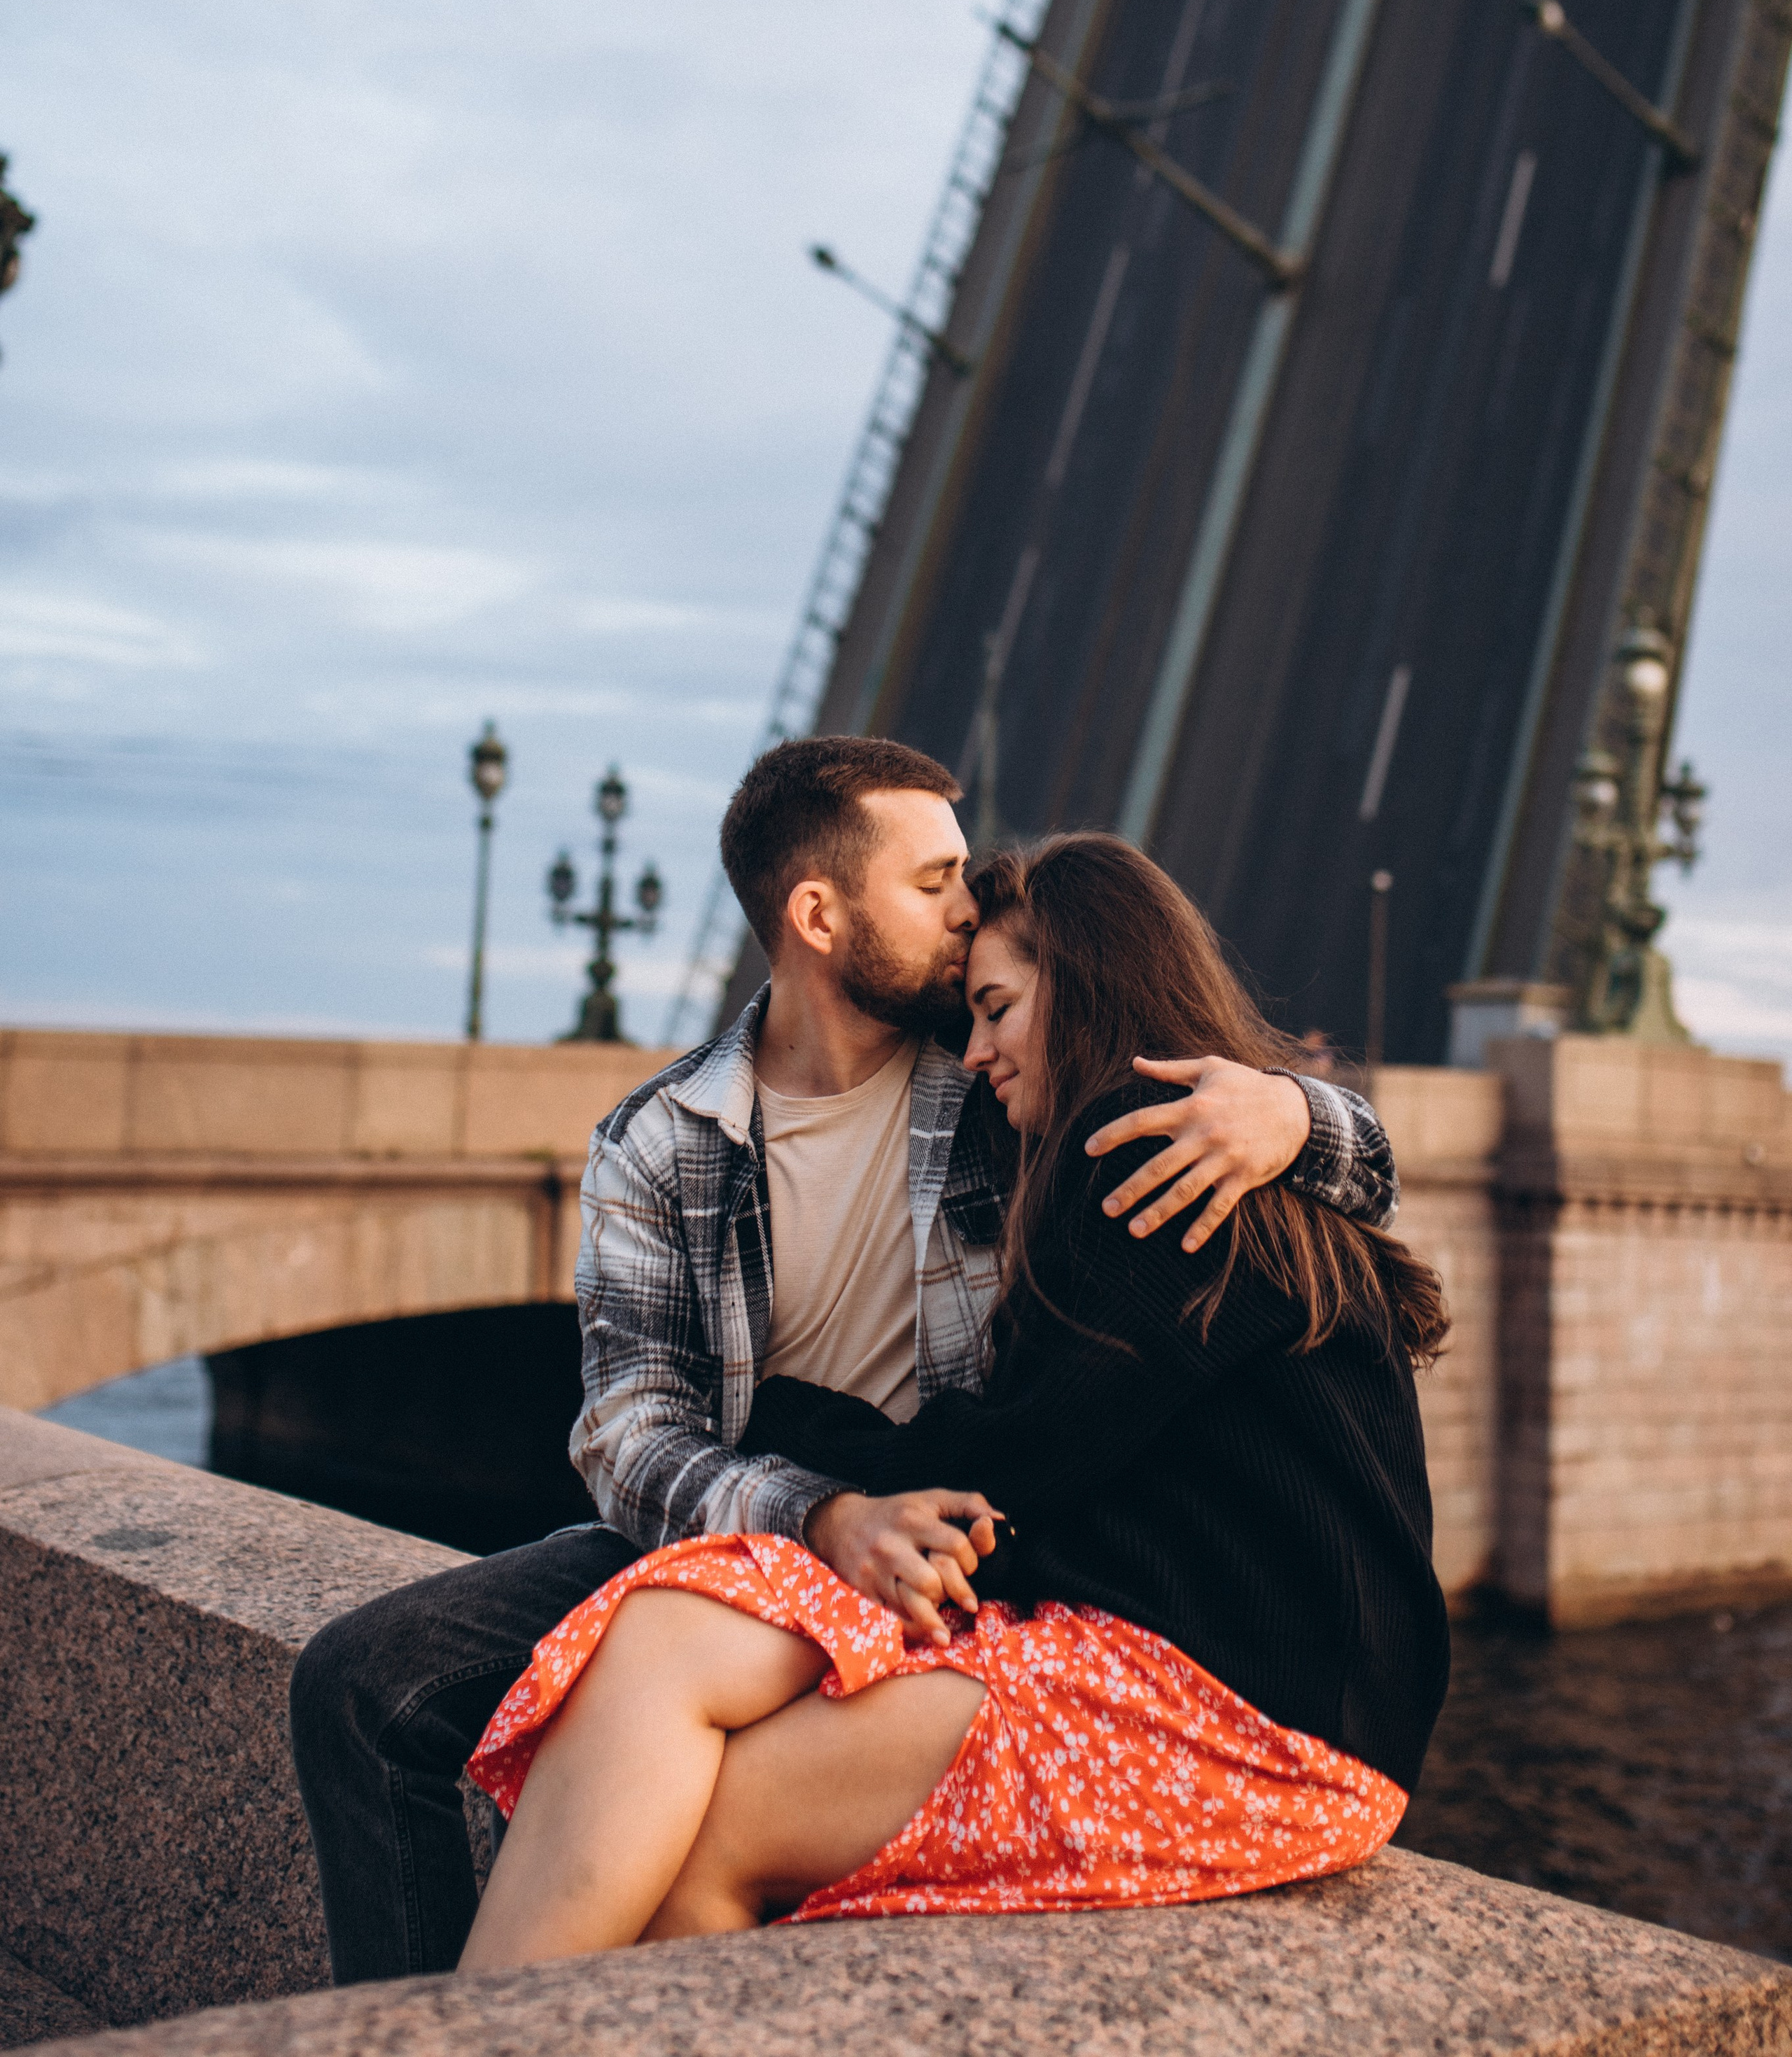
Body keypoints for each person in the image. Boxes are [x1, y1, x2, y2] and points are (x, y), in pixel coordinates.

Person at [290, 745, 1401, 1979]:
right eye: (932, 885)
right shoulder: (662, 1142)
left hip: (986, 1537)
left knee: (682, 1754)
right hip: (788, 1513)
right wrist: (819, 1511)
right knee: (360, 1685)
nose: (962, 912)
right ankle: (397, 2023)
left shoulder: (1011, 1088)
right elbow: (628, 1433)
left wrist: (1298, 1112)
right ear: (818, 916)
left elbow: (1196, 1069)